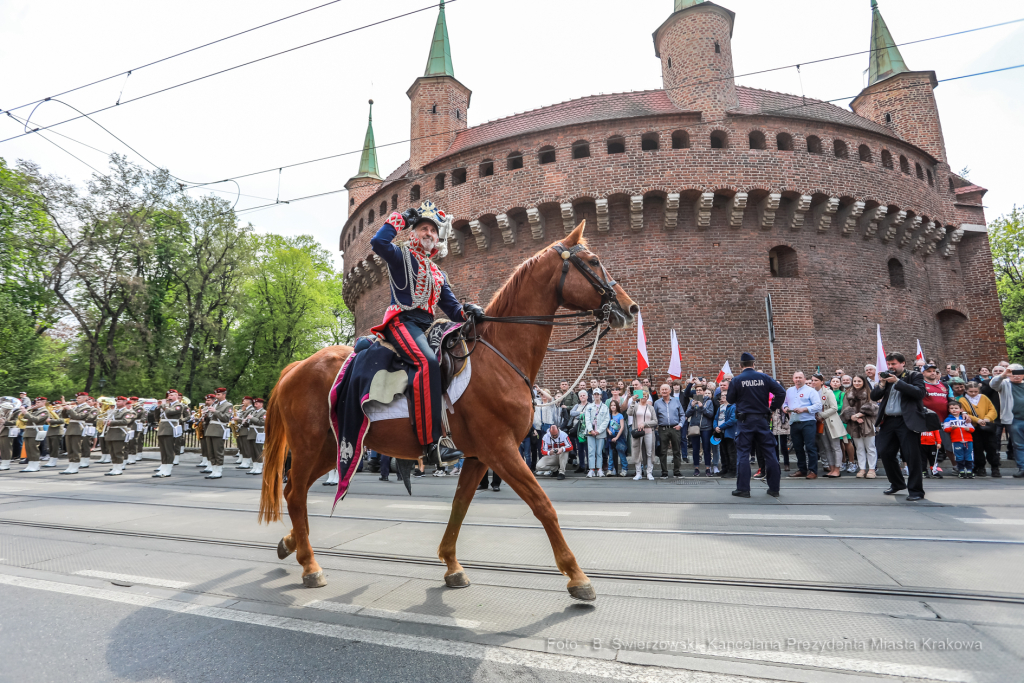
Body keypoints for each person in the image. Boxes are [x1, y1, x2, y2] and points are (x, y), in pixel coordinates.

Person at [369, 202, 484, 466]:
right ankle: (432, 444)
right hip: (402, 322)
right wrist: (399, 219)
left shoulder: (438, 272)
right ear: (413, 234)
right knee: (427, 362)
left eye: (433, 230)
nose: (429, 233)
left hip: (427, 327)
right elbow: (378, 243)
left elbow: (453, 310)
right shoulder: (401, 255)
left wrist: (471, 312)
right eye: (423, 228)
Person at [870, 352, 930, 500]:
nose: (891, 367)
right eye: (889, 364)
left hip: (907, 421)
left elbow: (920, 393)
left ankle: (916, 491)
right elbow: (874, 396)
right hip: (889, 420)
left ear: (903, 363)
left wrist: (897, 381)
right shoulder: (887, 377)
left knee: (911, 455)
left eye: (894, 364)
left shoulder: (914, 376)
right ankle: (897, 483)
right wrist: (882, 383)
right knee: (884, 452)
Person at [726, 353, 786, 497]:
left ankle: (743, 489)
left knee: (743, 454)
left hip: (745, 421)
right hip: (762, 420)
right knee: (770, 453)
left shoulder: (737, 380)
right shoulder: (764, 377)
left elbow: (730, 399)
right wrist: (772, 408)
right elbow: (781, 392)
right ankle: (774, 489)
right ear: (754, 364)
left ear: (740, 365)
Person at [783, 371, 822, 479]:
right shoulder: (789, 391)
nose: (798, 379)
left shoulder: (811, 391)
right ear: (793, 379)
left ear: (805, 379)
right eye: (796, 377)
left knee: (810, 447)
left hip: (807, 422)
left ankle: (813, 470)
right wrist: (785, 408)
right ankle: (802, 469)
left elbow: (818, 406)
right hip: (794, 422)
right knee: (798, 447)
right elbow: (785, 403)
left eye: (800, 377)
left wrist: (804, 409)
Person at [989, 364, 1024, 477]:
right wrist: (1003, 374)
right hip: (1014, 419)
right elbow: (993, 384)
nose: (1016, 376)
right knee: (1018, 445)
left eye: (1019, 373)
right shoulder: (1005, 384)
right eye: (1013, 373)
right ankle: (1022, 468)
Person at [841, 375, 878, 478]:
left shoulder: (869, 392)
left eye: (859, 381)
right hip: (854, 423)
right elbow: (845, 408)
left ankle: (872, 469)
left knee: (870, 447)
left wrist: (859, 415)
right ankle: (862, 468)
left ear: (863, 382)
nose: (857, 383)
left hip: (867, 422)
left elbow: (873, 407)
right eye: (855, 381)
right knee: (859, 447)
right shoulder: (848, 394)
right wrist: (853, 417)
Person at [959, 382, 999, 477]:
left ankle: (995, 467)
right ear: (966, 390)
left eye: (976, 391)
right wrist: (977, 420)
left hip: (987, 426)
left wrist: (987, 418)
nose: (973, 393)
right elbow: (964, 413)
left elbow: (992, 410)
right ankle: (980, 467)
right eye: (971, 391)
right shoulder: (962, 400)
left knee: (992, 447)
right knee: (977, 448)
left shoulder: (984, 398)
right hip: (974, 427)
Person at [813, 374, 847, 477]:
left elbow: (834, 408)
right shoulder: (812, 392)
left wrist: (821, 415)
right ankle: (831, 468)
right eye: (812, 380)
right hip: (819, 423)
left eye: (816, 380)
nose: (813, 382)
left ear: (822, 382)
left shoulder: (828, 392)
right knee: (826, 447)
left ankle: (837, 469)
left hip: (830, 421)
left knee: (835, 446)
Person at [921, 363, 951, 477]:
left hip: (944, 420)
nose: (932, 373)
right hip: (927, 422)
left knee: (944, 447)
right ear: (923, 373)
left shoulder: (945, 385)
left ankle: (938, 468)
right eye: (929, 371)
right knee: (927, 449)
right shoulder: (921, 385)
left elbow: (951, 400)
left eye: (934, 371)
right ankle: (924, 469)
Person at [60, 392, 97, 475]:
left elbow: (78, 417)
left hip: (78, 429)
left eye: (79, 398)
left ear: (85, 399)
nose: (77, 399)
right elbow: (65, 416)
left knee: (76, 449)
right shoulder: (76, 407)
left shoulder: (87, 407)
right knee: (70, 449)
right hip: (70, 429)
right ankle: (71, 466)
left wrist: (69, 409)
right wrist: (65, 409)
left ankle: (75, 467)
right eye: (77, 398)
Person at [202, 387, 234, 480]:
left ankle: (218, 471)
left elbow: (226, 418)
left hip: (219, 429)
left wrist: (215, 411)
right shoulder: (215, 404)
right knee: (211, 452)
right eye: (216, 394)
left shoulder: (228, 405)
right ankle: (213, 470)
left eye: (218, 394)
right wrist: (206, 415)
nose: (216, 396)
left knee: (218, 451)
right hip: (210, 429)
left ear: (224, 395)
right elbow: (210, 418)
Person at [654, 384, 684, 478]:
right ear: (660, 391)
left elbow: (682, 414)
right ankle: (664, 472)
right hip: (662, 429)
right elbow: (655, 416)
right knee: (663, 452)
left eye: (666, 389)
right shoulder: (657, 403)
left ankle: (676, 471)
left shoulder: (676, 401)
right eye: (662, 389)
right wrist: (655, 427)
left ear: (670, 391)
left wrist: (680, 425)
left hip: (675, 428)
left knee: (676, 451)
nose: (664, 391)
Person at [684, 385, 715, 477]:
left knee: (706, 448)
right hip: (695, 427)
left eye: (700, 390)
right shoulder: (692, 401)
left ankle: (708, 468)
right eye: (697, 390)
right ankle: (696, 468)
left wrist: (702, 407)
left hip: (706, 428)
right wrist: (692, 406)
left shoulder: (708, 401)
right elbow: (687, 414)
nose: (698, 392)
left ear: (703, 391)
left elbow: (710, 414)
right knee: (695, 449)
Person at [628, 389, 657, 480]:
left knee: (649, 452)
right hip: (638, 432)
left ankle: (649, 472)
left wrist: (645, 424)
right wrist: (633, 401)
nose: (644, 397)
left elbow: (655, 421)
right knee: (637, 451)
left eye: (646, 396)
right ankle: (638, 473)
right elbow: (629, 413)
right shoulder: (636, 406)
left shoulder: (651, 408)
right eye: (643, 395)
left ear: (648, 397)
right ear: (640, 397)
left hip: (649, 432)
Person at [104, 396, 136, 476]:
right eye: (117, 401)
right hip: (111, 433)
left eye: (119, 401)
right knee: (112, 452)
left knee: (118, 452)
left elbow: (125, 421)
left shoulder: (127, 412)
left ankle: (118, 469)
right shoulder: (114, 411)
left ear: (124, 402)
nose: (117, 403)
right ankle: (114, 468)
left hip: (119, 433)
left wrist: (111, 422)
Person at [582, 388, 610, 477]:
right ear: (593, 396)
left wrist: (599, 431)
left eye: (598, 394)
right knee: (591, 451)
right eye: (595, 394)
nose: (596, 396)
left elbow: (606, 420)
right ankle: (591, 469)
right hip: (591, 432)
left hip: (600, 433)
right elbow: (587, 419)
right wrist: (591, 430)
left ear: (601, 395)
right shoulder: (589, 406)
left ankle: (599, 469)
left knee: (599, 451)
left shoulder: (605, 407)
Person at [943, 402, 975, 478]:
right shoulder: (948, 419)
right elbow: (945, 429)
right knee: (959, 456)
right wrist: (951, 428)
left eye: (956, 408)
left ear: (961, 410)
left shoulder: (965, 418)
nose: (954, 410)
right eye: (951, 408)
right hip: (956, 441)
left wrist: (968, 429)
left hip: (968, 441)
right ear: (949, 410)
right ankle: (961, 471)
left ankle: (969, 471)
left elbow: (972, 429)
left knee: (969, 456)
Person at [714, 393, 738, 477]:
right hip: (721, 433)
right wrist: (715, 427)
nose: (723, 396)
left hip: (729, 432)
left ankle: (732, 471)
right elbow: (716, 418)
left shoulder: (733, 407)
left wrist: (720, 427)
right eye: (722, 395)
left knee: (731, 452)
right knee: (723, 452)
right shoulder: (720, 407)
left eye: (726, 395)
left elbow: (733, 420)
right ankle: (725, 469)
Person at [607, 399, 628, 476]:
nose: (613, 407)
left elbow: (622, 427)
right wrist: (608, 430)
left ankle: (624, 469)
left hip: (619, 437)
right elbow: (606, 425)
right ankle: (611, 469)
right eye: (611, 405)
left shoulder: (620, 415)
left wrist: (617, 437)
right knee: (611, 454)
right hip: (611, 436)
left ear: (617, 406)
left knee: (621, 453)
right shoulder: (608, 415)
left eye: (614, 405)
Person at [247, 397, 267, 475]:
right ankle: (254, 467)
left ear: (261, 404)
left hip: (258, 433)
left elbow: (262, 422)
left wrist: (252, 418)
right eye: (254, 403)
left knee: (258, 451)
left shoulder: (264, 412)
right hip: (252, 433)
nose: (255, 405)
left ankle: (259, 467)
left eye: (257, 403)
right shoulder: (253, 412)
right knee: (253, 452)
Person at [234, 396, 255, 470]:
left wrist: (238, 419)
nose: (243, 402)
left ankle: (247, 462)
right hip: (242, 430)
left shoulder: (251, 409)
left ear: (248, 401)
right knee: (243, 447)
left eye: (244, 401)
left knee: (246, 447)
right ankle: (244, 461)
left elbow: (247, 420)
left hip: (246, 430)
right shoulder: (246, 409)